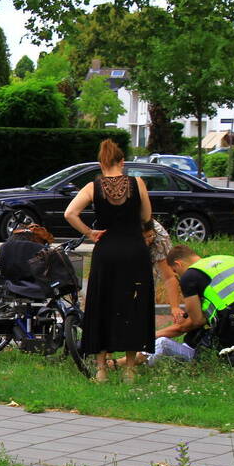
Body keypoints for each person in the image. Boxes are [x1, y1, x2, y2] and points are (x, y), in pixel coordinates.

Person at [64, 139, 155, 383]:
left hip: (106, 251)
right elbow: (146, 215)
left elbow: (69, 213)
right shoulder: (138, 183)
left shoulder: (93, 187)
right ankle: (129, 371)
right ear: (121, 161)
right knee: (132, 306)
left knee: (102, 304)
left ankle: (102, 370)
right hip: (134, 250)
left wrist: (90, 232)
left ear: (101, 163)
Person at [163, 244, 234, 370]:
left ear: (178, 263)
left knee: (201, 351)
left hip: (233, 327)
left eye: (175, 272)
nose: (178, 276)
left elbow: (197, 321)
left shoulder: (189, 276)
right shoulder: (231, 259)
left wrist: (154, 335)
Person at [143, 219, 184, 322]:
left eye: (149, 236)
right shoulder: (118, 233)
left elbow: (169, 277)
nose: (147, 242)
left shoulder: (160, 238)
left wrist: (175, 307)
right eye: (143, 238)